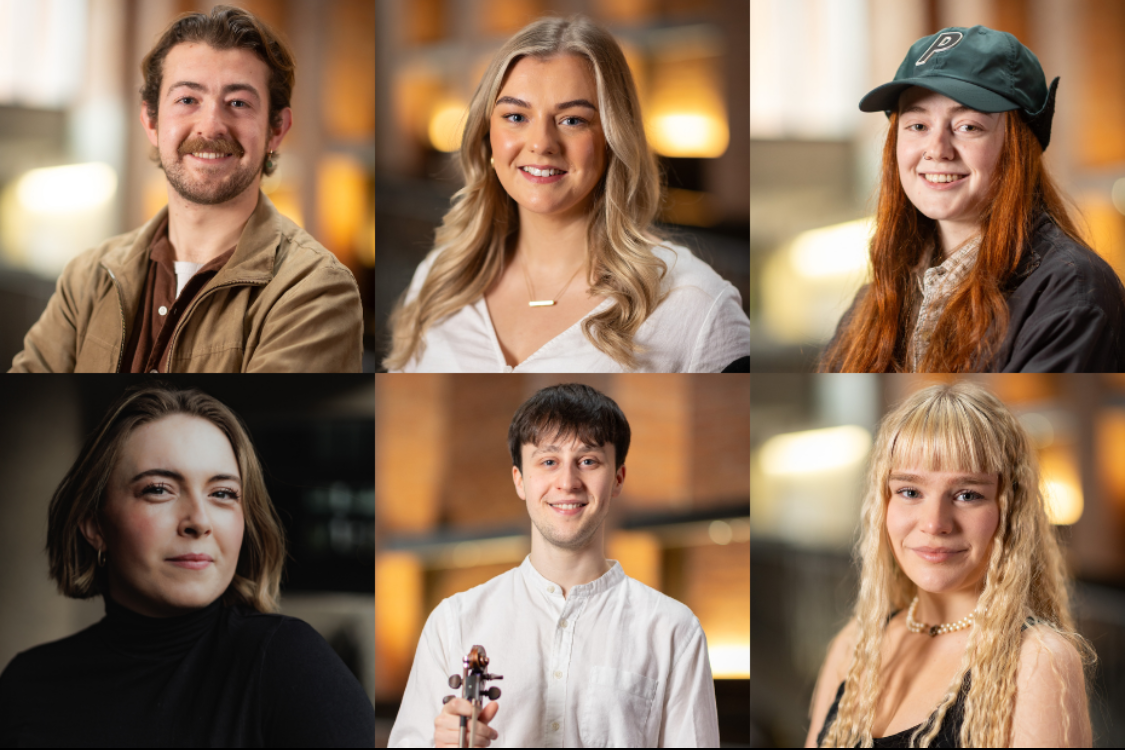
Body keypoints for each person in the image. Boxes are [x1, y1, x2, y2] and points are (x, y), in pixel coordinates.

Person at [0, 385, 376, 746]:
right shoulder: (27, 683)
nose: (199, 520)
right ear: (95, 525)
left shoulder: (291, 666)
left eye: (223, 494)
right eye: (159, 489)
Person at [384, 15, 750, 373]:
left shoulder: (698, 306)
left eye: (572, 120)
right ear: (487, 133)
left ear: (612, 137)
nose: (542, 143)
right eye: (515, 116)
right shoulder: (439, 279)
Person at [10, 5, 363, 373]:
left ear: (276, 129)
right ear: (151, 121)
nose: (211, 126)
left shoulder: (315, 291)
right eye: (187, 100)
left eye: (238, 103)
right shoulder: (87, 277)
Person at [387, 383, 720, 747]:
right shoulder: (453, 622)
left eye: (588, 461)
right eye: (548, 462)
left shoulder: (674, 629)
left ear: (618, 479)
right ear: (520, 480)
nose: (567, 482)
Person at [820, 25, 1125, 373]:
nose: (937, 150)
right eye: (918, 126)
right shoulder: (875, 302)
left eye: (968, 126)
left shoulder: (1071, 294)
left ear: (1019, 146)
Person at [806, 382, 1093, 747]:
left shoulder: (1038, 661)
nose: (934, 522)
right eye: (910, 492)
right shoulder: (852, 646)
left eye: (967, 494)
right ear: (883, 504)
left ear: (1010, 511)